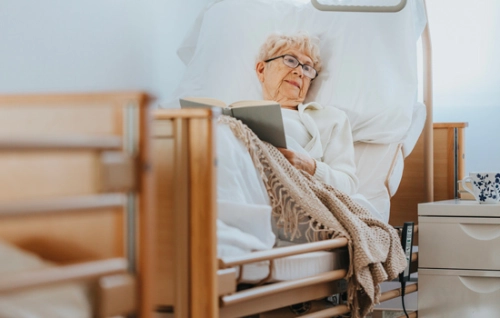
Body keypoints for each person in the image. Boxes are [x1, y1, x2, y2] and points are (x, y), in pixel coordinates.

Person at [255, 32, 359, 196]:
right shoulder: (235, 114)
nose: (300, 72)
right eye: (290, 60)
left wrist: (310, 167)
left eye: (307, 68)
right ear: (261, 70)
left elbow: (348, 186)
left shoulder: (330, 118)